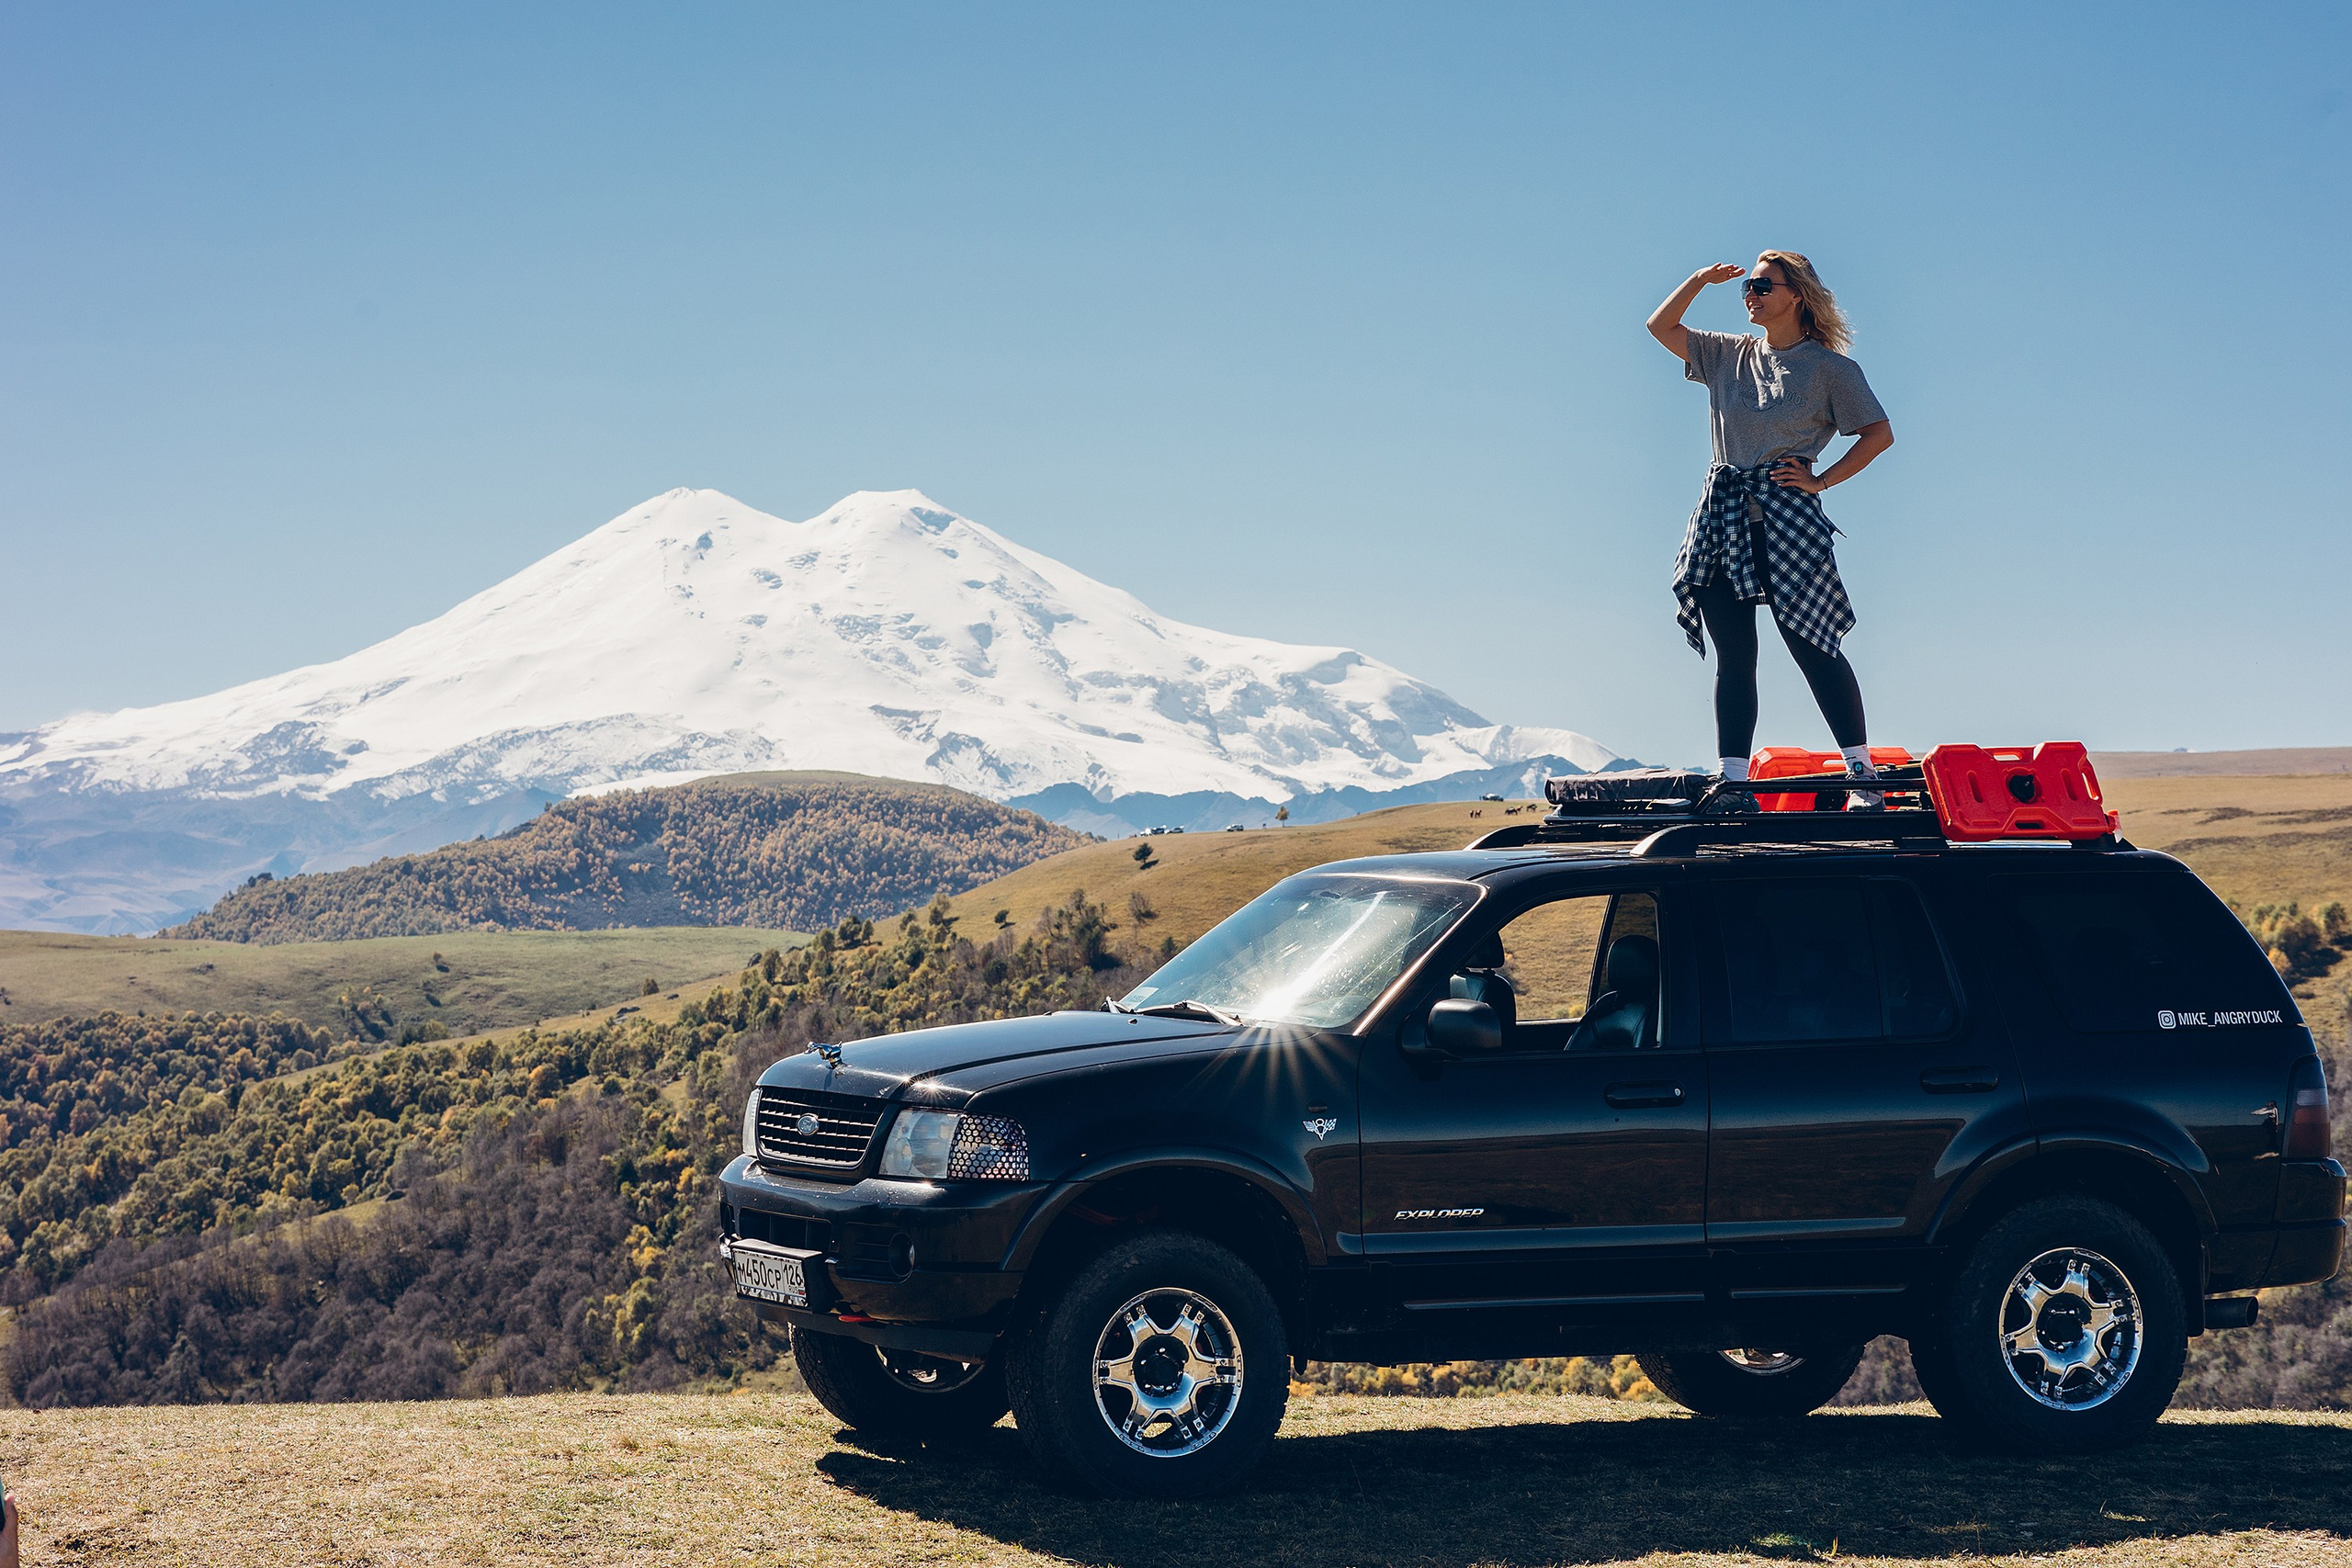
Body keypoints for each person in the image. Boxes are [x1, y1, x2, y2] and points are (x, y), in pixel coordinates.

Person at [1646, 253, 1894, 805]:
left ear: (1797, 295)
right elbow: (1660, 326)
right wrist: (1698, 280)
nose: (1750, 294)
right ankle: (1733, 781)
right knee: (1733, 653)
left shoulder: (1830, 368)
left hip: (1787, 518)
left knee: (1812, 641)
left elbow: (1878, 433)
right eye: (1748, 287)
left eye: (1762, 285)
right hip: (1722, 514)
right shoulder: (1726, 354)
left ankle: (1863, 778)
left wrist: (1822, 480)